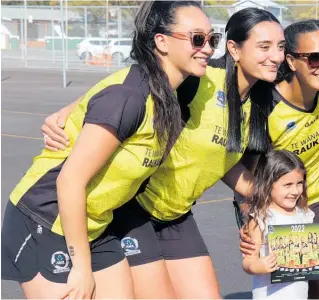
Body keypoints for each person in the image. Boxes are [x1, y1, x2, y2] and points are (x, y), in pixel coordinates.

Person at [39, 7, 285, 299]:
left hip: (176, 215)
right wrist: (68, 112)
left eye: (281, 47)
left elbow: (221, 160)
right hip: (134, 210)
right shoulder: (201, 79)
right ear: (234, 48)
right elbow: (135, 84)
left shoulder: (260, 100)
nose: (276, 56)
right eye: (264, 47)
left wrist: (264, 201)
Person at [1, 1, 215, 299]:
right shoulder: (129, 97)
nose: (207, 48)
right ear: (161, 41)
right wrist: (81, 267)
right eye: (197, 39)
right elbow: (69, 181)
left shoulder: (168, 97)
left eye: (211, 39)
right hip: (45, 220)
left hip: (94, 225)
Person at [238, 19, 319, 299]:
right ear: (291, 61)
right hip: (273, 206)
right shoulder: (266, 107)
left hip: (317, 199)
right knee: (283, 290)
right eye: (314, 58)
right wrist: (251, 219)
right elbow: (244, 171)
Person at [243, 150, 319, 299]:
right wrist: (258, 266)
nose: (295, 191)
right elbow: (248, 262)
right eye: (287, 185)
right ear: (268, 184)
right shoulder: (260, 219)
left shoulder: (305, 215)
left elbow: (309, 256)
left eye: (299, 183)